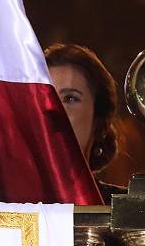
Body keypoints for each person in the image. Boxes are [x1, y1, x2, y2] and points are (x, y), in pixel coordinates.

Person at [44, 42, 123, 203]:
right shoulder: (1, 207)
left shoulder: (126, 210)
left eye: (70, 98)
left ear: (99, 119)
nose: (53, 110)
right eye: (44, 98)